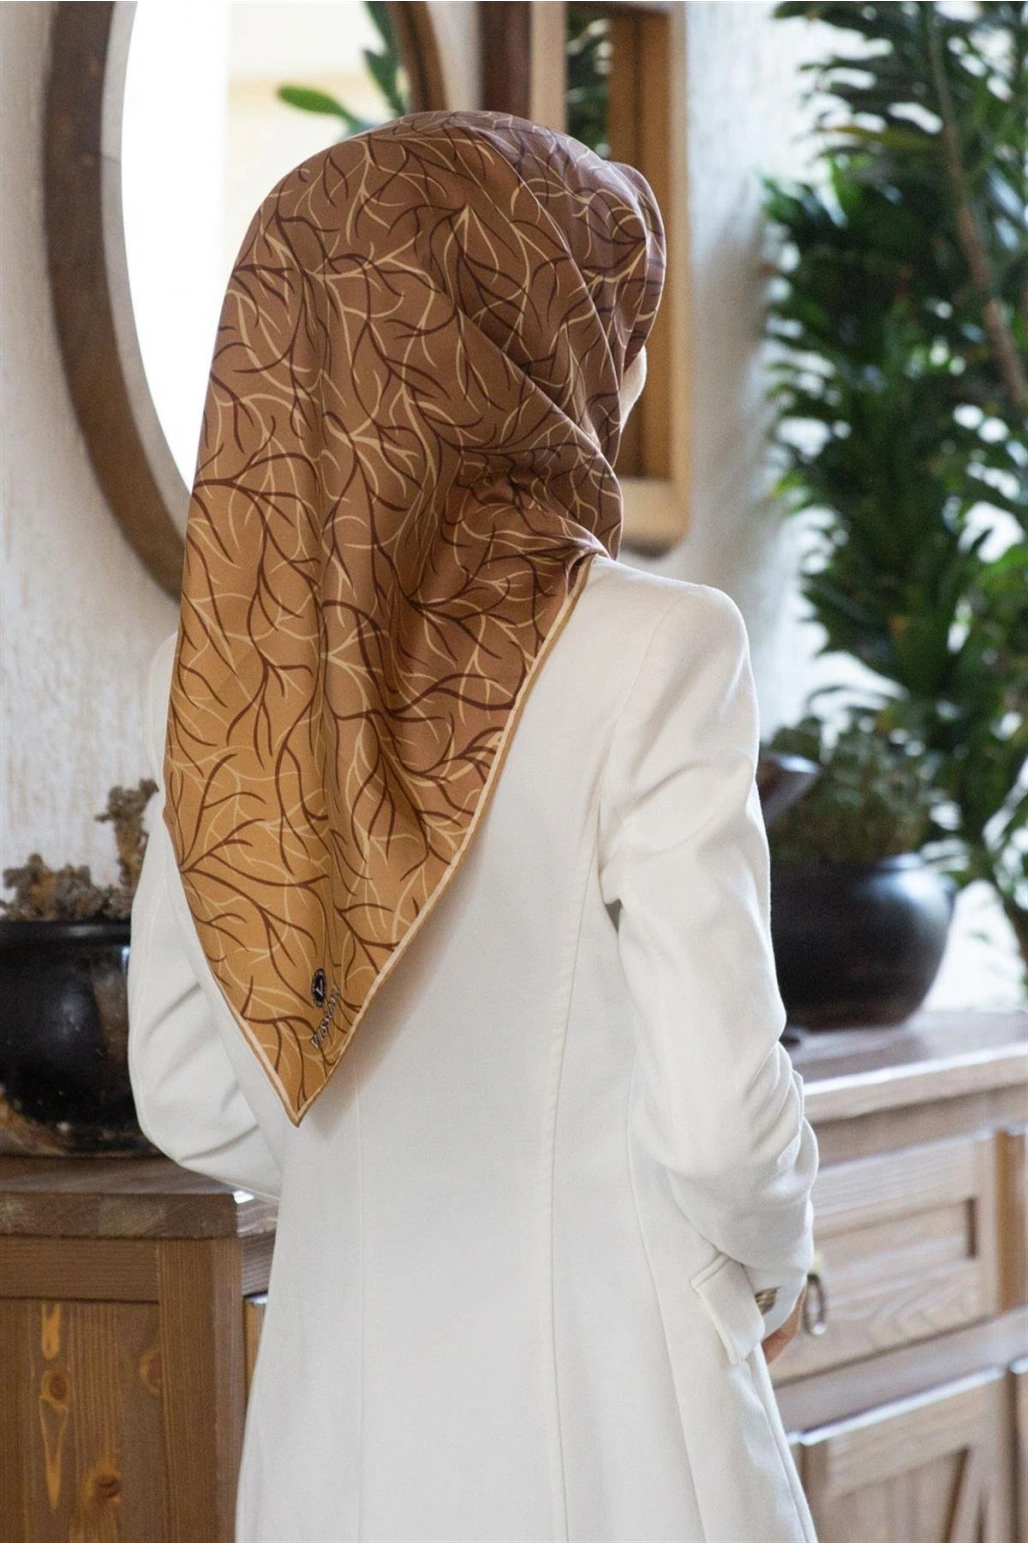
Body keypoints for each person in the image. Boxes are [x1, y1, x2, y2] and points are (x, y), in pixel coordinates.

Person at [128, 109, 819, 1543]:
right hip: (623, 1430)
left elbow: (184, 1082)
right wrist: (776, 1262)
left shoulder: (216, 672)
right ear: (522, 343)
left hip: (332, 1451)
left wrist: (385, 1176)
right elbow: (722, 1120)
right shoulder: (663, 647)